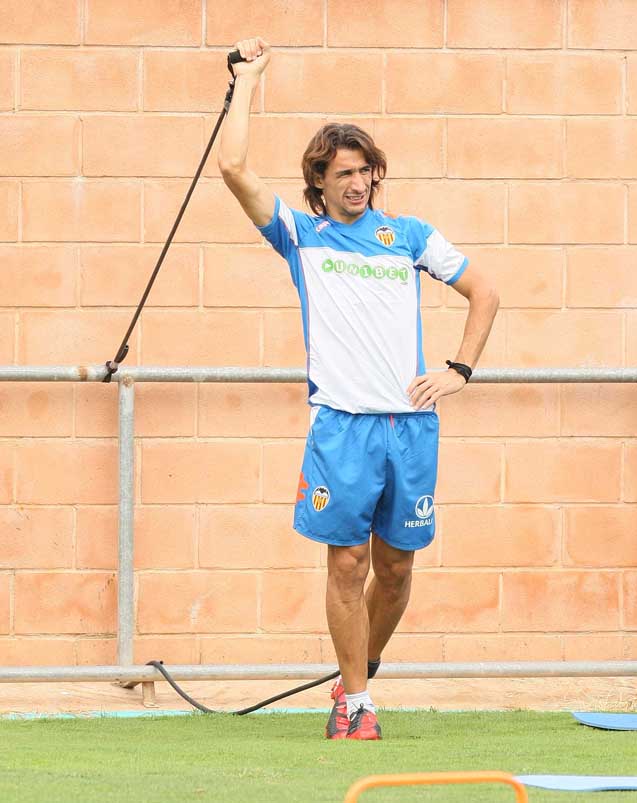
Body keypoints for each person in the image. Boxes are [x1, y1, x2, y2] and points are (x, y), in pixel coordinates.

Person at [218, 37, 499, 741]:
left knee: (395, 572)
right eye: (344, 173)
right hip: (342, 427)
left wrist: (459, 370)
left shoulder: (409, 235)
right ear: (319, 181)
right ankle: (357, 700)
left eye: (366, 171)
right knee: (345, 563)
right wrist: (247, 81)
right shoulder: (300, 234)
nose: (358, 183)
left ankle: (356, 673)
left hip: (410, 426)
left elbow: (485, 292)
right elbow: (232, 167)